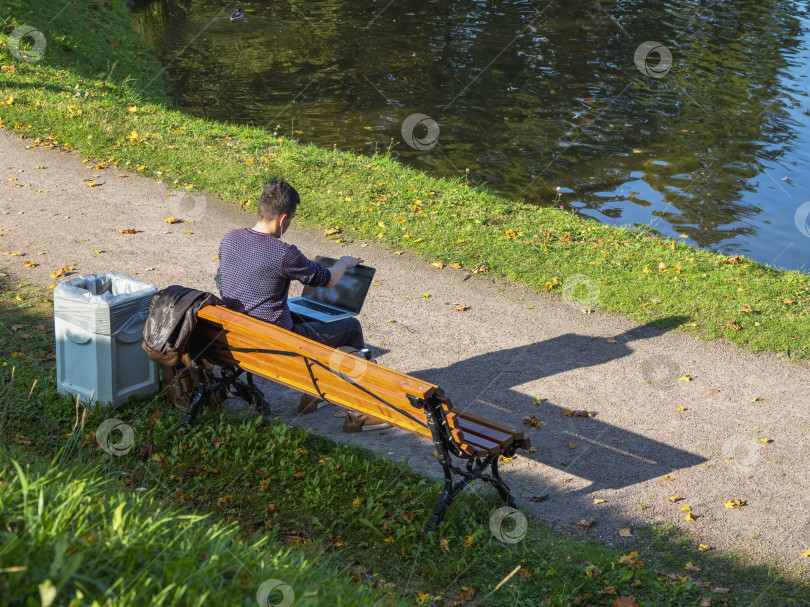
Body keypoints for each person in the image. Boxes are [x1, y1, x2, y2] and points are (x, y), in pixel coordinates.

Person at [216, 178, 391, 432]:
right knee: (350, 327)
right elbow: (327, 279)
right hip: (274, 344)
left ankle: (315, 394)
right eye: (292, 219)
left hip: (236, 334)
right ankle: (362, 411)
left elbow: (224, 279)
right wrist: (343, 262)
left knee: (308, 316)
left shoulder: (230, 238)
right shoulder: (283, 252)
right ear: (282, 219)